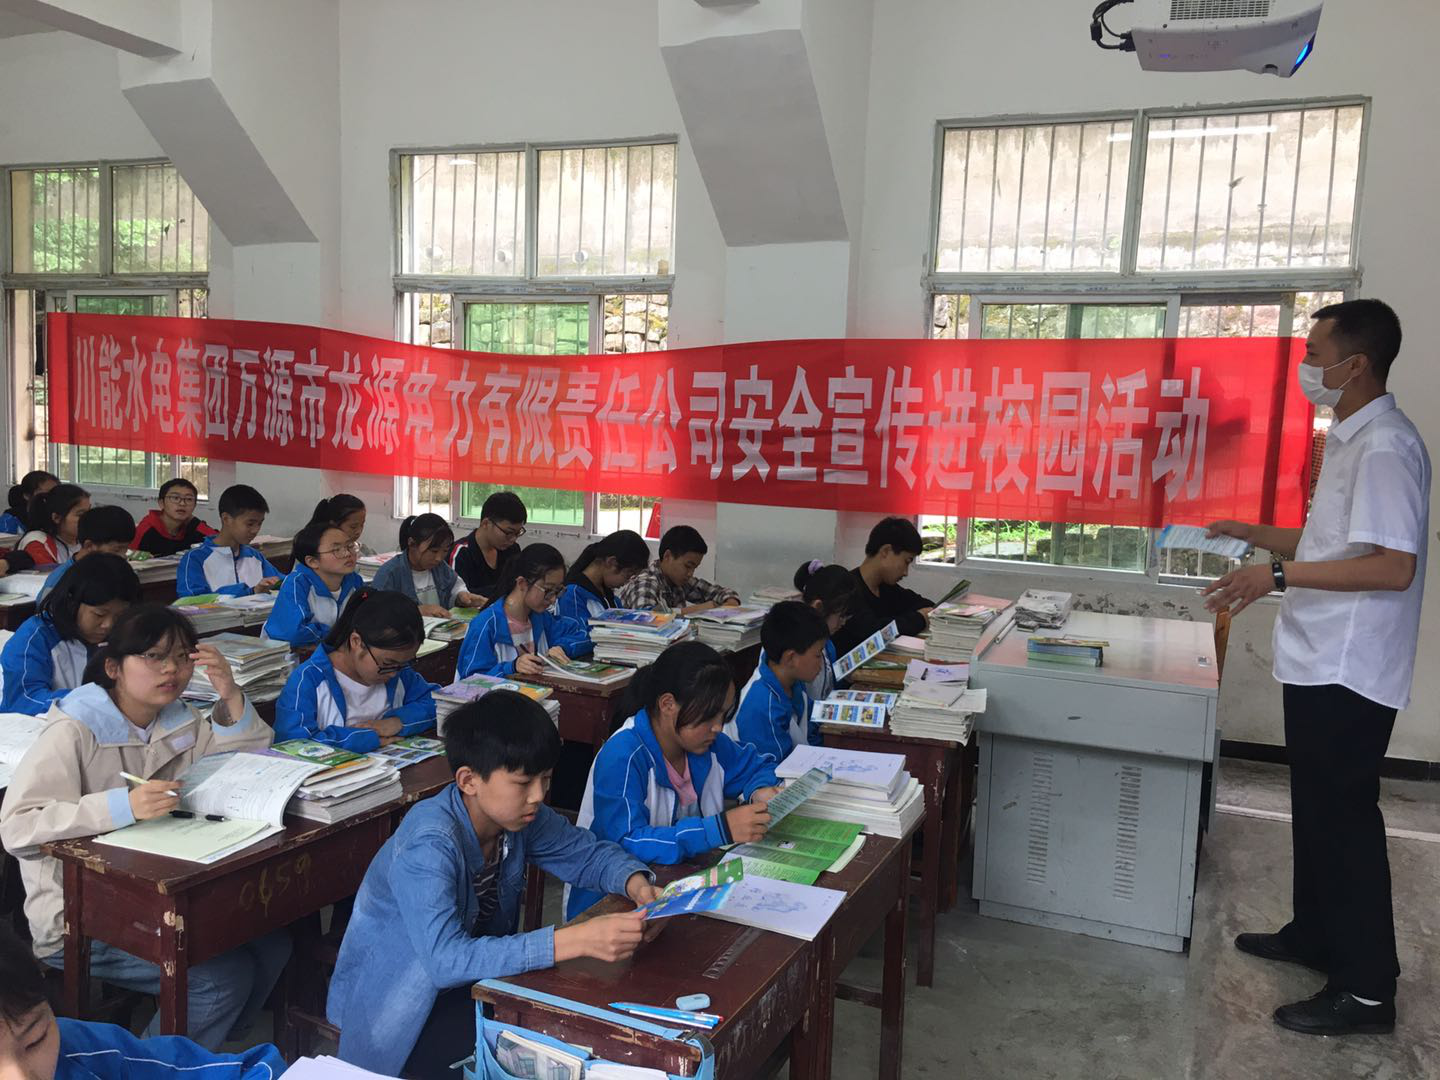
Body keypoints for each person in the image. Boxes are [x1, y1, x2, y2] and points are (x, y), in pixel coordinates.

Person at [1203, 299, 1429, 1037]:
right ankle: (1315, 935)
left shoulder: (1386, 446)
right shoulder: (1351, 437)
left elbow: (1392, 566)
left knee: (1345, 821)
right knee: (1317, 811)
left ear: (1355, 364)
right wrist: (1250, 532)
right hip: (1318, 659)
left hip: (1349, 668)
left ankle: (1366, 991)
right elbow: (1328, 543)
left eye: (1315, 353)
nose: (1306, 366)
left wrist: (1275, 574)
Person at [326, 691, 661, 1078]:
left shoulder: (517, 818)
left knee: (564, 1040)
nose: (539, 795)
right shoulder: (430, 844)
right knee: (523, 1058)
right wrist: (572, 941)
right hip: (401, 1006)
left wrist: (636, 883)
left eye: (546, 778)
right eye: (524, 782)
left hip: (479, 983)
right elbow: (445, 962)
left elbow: (585, 854)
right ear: (469, 780)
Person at [0, 604, 289, 1051]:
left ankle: (202, 1046)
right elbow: (18, 827)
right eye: (154, 656)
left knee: (273, 945)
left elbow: (240, 769)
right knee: (221, 980)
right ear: (113, 667)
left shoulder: (178, 717)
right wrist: (121, 807)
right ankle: (149, 1062)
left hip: (164, 891)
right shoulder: (73, 730)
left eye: (181, 656)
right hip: (78, 917)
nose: (171, 669)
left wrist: (231, 694)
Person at [570, 641, 779, 919]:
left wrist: (759, 790)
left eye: (724, 714)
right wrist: (718, 829)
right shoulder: (624, 755)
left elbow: (756, 765)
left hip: (681, 887)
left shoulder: (707, 744)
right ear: (668, 704)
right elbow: (626, 841)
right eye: (709, 716)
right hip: (613, 906)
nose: (718, 727)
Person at [0, 921, 286, 1080]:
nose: (22, 1076)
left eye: (36, 1040)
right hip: (70, 923)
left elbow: (252, 1071)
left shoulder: (82, 1051)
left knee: (271, 948)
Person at [274, 589, 438, 752]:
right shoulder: (308, 681)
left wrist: (398, 722)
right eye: (388, 663)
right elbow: (293, 744)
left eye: (403, 664)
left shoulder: (400, 674)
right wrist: (365, 738)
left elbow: (438, 703)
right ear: (356, 642)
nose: (394, 673)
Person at [0, 555, 140, 715]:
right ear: (72, 603)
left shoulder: (127, 633)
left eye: (119, 616)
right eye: (99, 614)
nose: (108, 625)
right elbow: (23, 700)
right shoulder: (37, 636)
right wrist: (92, 701)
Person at [456, 543, 592, 679]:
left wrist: (564, 647)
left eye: (558, 591)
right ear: (522, 583)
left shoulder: (541, 618)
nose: (553, 599)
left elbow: (589, 633)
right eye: (548, 590)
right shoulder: (486, 625)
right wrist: (512, 667)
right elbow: (470, 680)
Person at [726, 601, 829, 763]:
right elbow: (775, 768)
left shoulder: (793, 681)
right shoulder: (761, 707)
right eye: (818, 655)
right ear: (791, 658)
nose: (821, 663)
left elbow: (811, 729)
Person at [830, 516, 935, 657]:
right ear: (886, 551)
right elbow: (872, 633)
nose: (906, 572)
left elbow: (923, 604)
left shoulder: (886, 587)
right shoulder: (847, 589)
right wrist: (919, 618)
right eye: (906, 561)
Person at [261, 521, 364, 645]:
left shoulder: (355, 581)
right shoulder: (297, 584)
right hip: (287, 654)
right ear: (312, 561)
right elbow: (295, 633)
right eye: (337, 549)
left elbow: (365, 622)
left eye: (350, 546)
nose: (348, 553)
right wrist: (338, 636)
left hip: (335, 649)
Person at [176, 485, 282, 598]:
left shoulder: (254, 556)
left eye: (259, 523)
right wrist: (250, 591)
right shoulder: (195, 559)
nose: (255, 530)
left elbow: (281, 581)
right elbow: (191, 600)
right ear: (226, 519)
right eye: (250, 524)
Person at [371, 513, 485, 617]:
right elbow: (378, 614)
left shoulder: (440, 567)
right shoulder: (389, 574)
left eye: (445, 551)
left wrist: (461, 596)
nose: (439, 558)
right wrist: (416, 611)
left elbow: (454, 587)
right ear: (412, 543)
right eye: (434, 551)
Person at [616, 525, 740, 614]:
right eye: (688, 566)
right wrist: (697, 610)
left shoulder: (679, 580)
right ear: (667, 556)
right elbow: (647, 618)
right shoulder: (646, 582)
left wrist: (730, 602)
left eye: (694, 568)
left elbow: (719, 592)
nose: (690, 573)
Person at [793, 560, 862, 703]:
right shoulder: (798, 650)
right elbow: (802, 707)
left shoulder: (827, 644)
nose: (843, 623)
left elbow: (829, 688)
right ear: (818, 607)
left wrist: (847, 679)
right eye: (841, 616)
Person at [37, 506, 136, 603]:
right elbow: (47, 611)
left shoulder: (115, 572)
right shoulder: (60, 580)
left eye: (126, 549)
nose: (124, 556)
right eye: (117, 549)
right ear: (89, 546)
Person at [557, 529, 650, 630]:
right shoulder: (572, 595)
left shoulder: (610, 597)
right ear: (611, 562)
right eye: (628, 574)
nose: (627, 582)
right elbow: (577, 634)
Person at [449, 490, 527, 603]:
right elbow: (457, 596)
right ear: (486, 523)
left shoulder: (512, 549)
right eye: (508, 533)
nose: (513, 539)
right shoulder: (461, 553)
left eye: (518, 533)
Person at [131, 478, 216, 557]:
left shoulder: (192, 527)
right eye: (175, 498)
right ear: (161, 503)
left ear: (194, 505)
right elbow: (127, 555)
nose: (182, 503)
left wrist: (194, 521)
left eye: (189, 499)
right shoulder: (146, 529)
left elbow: (219, 542)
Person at [18, 485, 90, 566]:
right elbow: (50, 574)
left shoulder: (86, 540)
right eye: (80, 515)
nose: (88, 518)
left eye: (89, 512)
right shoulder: (38, 542)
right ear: (56, 518)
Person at [0, 469, 58, 534]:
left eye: (55, 493)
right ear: (27, 495)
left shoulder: (57, 517)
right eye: (47, 493)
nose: (52, 497)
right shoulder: (9, 520)